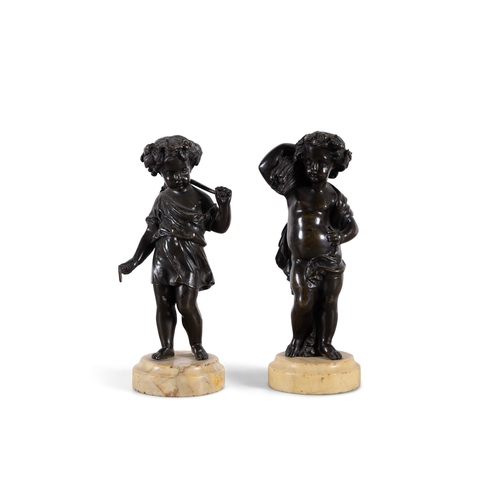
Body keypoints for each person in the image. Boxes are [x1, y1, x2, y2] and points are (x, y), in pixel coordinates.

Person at [119, 135, 231, 360]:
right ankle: (166, 346)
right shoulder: (162, 199)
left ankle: (196, 344)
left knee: (187, 304)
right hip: (163, 258)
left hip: (189, 258)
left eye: (183, 171)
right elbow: (150, 233)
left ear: (190, 167)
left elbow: (219, 227)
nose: (178, 177)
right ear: (161, 174)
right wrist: (134, 260)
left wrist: (224, 206)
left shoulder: (200, 198)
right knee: (163, 304)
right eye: (170, 174)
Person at [259, 132, 358, 360]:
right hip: (302, 261)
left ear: (334, 165)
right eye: (309, 161)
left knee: (329, 303)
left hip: (331, 259)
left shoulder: (334, 196)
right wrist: (295, 148)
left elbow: (352, 226)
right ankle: (298, 340)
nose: (314, 168)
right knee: (303, 302)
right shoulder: (294, 189)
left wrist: (340, 236)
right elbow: (265, 166)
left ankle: (325, 343)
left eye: (322, 163)